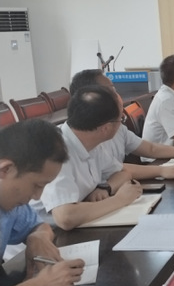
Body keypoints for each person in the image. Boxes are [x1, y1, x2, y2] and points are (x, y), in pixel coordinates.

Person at [0, 120, 85, 286]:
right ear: (6, 169)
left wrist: (37, 237)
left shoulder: (9, 202)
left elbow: (38, 225)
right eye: (37, 185)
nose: (38, 196)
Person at [70, 69, 174, 178]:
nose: (117, 95)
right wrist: (162, 171)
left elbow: (151, 148)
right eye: (112, 90)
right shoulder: (81, 136)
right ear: (89, 96)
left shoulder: (117, 127)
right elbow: (114, 169)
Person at [40, 85, 142, 231]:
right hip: (46, 235)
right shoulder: (55, 150)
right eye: (121, 119)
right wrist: (119, 200)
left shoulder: (92, 141)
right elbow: (65, 217)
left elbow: (123, 173)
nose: (122, 123)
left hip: (81, 223)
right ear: (106, 128)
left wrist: (105, 188)